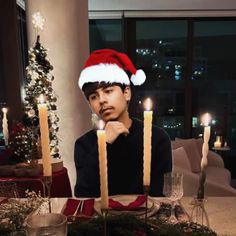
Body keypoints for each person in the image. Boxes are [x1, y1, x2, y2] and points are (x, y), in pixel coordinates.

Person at [74, 49, 172, 197]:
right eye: (94, 96)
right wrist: (104, 143)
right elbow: (83, 194)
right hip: (102, 219)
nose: (101, 100)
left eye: (108, 91)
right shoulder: (84, 144)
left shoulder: (157, 138)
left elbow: (163, 195)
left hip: (147, 217)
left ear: (126, 93)